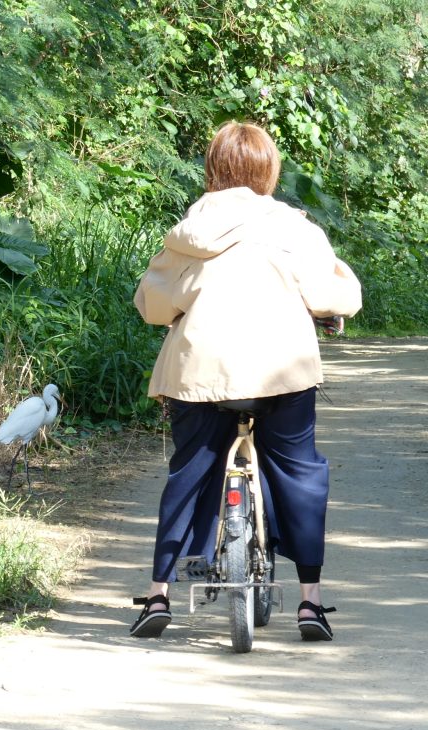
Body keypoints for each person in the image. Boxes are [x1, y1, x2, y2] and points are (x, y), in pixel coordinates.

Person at [130, 121, 362, 641]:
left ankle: (158, 595)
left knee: (189, 474)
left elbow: (153, 306)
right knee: (300, 472)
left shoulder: (189, 232)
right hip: (283, 374)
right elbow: (339, 296)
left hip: (200, 376)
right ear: (269, 170)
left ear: (213, 168)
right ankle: (310, 603)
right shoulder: (294, 229)